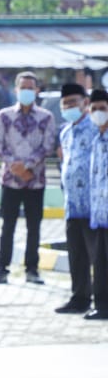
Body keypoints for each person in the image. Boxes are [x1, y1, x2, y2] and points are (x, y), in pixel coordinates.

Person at [0, 71, 58, 285]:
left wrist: (27, 166)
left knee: (34, 227)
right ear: (16, 90)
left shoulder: (46, 117)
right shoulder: (4, 116)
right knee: (7, 225)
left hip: (35, 180)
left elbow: (48, 146)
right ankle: (2, 269)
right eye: (23, 87)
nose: (27, 91)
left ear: (37, 90)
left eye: (31, 87)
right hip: (10, 180)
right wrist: (16, 167)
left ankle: (32, 269)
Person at [56, 83, 96, 314]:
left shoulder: (96, 128)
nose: (70, 107)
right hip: (72, 204)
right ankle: (79, 298)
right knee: (77, 255)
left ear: (85, 103)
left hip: (93, 205)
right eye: (66, 104)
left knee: (98, 257)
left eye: (74, 102)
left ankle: (102, 299)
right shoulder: (65, 132)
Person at [84, 89, 108, 320]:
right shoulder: (96, 139)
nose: (98, 113)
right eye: (94, 109)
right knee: (99, 262)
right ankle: (101, 305)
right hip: (99, 213)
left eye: (103, 108)